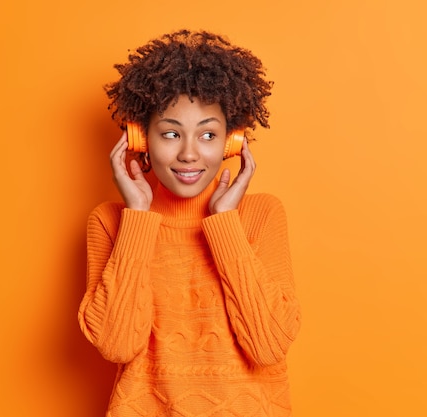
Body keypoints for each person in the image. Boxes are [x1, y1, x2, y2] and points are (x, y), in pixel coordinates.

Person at [78, 29, 301, 417]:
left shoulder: (261, 215)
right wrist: (137, 218)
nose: (189, 154)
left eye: (208, 135)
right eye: (170, 133)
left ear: (232, 142)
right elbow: (117, 345)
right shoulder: (112, 222)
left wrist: (225, 222)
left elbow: (268, 345)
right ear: (140, 138)